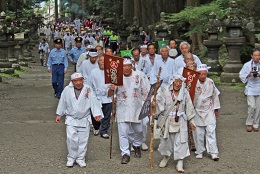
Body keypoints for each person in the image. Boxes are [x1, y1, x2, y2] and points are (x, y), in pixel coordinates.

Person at [55, 72, 102, 167]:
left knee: (83, 140)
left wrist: (96, 114)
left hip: (84, 118)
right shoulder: (67, 90)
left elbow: (94, 102)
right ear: (72, 82)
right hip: (71, 119)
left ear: (83, 80)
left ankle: (81, 158)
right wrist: (59, 114)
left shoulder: (88, 89)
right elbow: (62, 102)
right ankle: (71, 157)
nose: (78, 83)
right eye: (76, 81)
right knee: (71, 139)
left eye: (80, 80)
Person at [152, 74, 196, 172]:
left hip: (181, 120)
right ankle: (166, 157)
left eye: (180, 82)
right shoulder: (164, 90)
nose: (178, 84)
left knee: (181, 141)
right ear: (172, 82)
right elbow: (158, 103)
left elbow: (189, 106)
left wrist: (191, 121)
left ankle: (180, 162)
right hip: (167, 119)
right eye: (176, 81)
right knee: (166, 141)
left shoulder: (185, 92)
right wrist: (155, 104)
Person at [115, 57, 150, 164]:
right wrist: (112, 88)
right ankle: (125, 153)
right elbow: (110, 94)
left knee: (139, 129)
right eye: (124, 66)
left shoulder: (139, 75)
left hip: (137, 107)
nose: (126, 68)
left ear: (132, 66)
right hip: (122, 108)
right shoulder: (116, 77)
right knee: (123, 132)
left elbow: (146, 90)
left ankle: (137, 144)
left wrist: (148, 104)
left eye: (128, 66)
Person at [193, 64, 221, 161]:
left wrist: (216, 109)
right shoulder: (193, 83)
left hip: (209, 109)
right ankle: (199, 151)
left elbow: (215, 96)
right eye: (201, 74)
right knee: (198, 132)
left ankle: (213, 152)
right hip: (196, 110)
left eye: (205, 74)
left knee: (211, 131)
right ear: (198, 74)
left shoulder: (210, 82)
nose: (203, 76)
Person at [89, 56, 114, 138]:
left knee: (107, 115)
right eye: (101, 61)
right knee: (96, 114)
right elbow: (90, 84)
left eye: (104, 61)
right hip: (96, 96)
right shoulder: (93, 72)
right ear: (98, 62)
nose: (103, 62)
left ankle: (104, 130)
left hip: (107, 96)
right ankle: (96, 127)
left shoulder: (110, 72)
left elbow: (114, 84)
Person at [239, 48, 260, 132]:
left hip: (259, 86)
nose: (257, 57)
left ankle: (256, 123)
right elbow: (241, 75)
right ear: (252, 56)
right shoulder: (247, 65)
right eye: (255, 55)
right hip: (251, 88)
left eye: (258, 55)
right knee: (252, 106)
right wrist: (248, 75)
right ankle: (249, 123)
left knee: (258, 107)